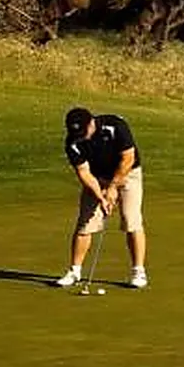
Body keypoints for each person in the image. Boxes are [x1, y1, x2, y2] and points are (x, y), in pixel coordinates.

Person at [54, 107, 148, 289]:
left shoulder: (115, 126)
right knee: (85, 223)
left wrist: (113, 188)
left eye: (83, 131)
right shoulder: (72, 142)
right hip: (97, 177)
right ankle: (75, 270)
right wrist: (101, 196)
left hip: (128, 173)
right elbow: (84, 172)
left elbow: (128, 158)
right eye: (77, 133)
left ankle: (138, 271)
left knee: (131, 219)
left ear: (92, 122)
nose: (81, 137)